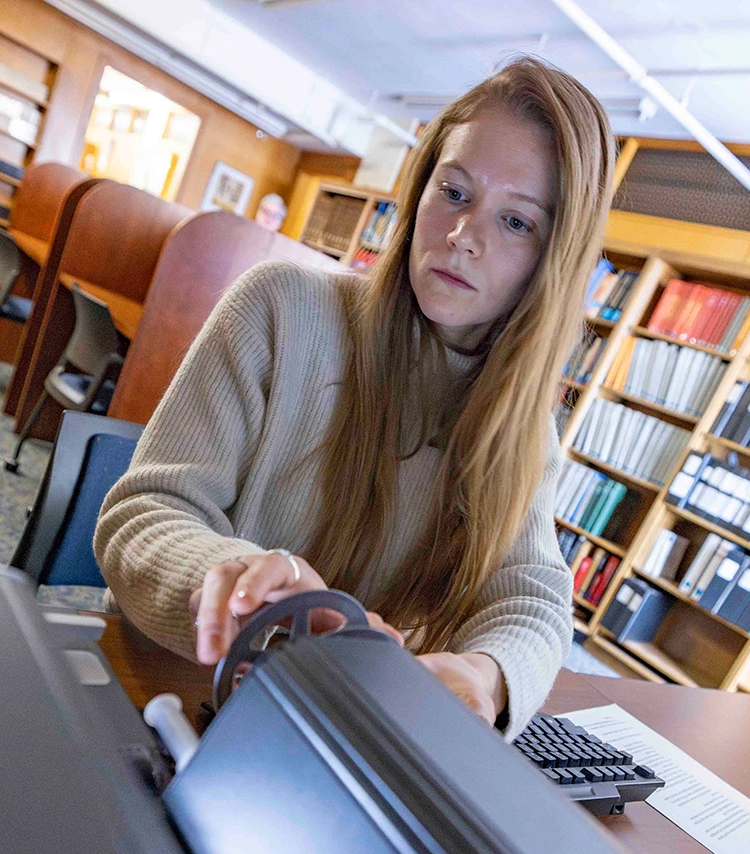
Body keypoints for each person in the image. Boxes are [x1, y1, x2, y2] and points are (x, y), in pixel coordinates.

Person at [95, 56, 614, 740]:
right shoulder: (279, 307)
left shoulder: (524, 433)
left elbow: (535, 596)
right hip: (168, 701)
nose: (464, 236)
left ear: (554, 259)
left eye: (517, 223)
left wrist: (487, 673)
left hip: (340, 747)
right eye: (454, 192)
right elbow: (144, 513)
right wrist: (234, 584)